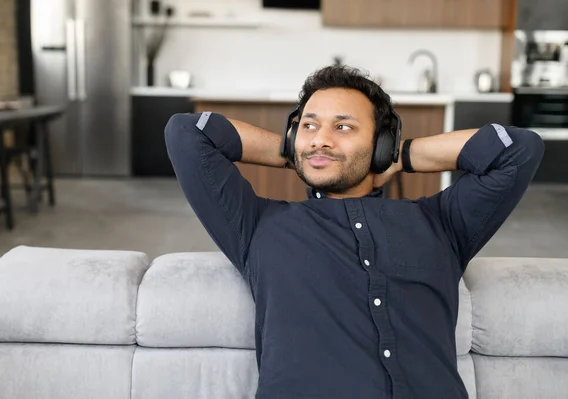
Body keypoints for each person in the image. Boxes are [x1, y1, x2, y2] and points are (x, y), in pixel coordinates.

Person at [164, 65, 544, 399]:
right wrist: (298, 151)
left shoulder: (441, 223)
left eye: (343, 127)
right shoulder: (258, 226)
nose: (321, 138)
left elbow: (517, 149)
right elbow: (188, 132)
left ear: (381, 142)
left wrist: (402, 155)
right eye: (309, 125)